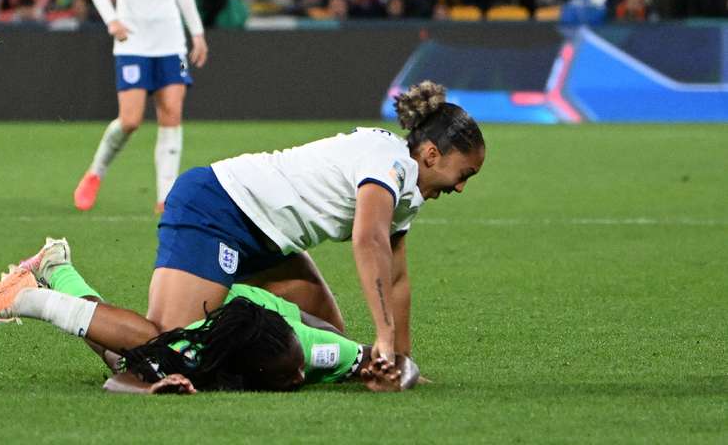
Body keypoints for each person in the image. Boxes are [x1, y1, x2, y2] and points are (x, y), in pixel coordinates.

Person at [146, 80, 485, 370]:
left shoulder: (408, 191)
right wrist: (383, 334)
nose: (460, 187)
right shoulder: (390, 161)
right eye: (464, 174)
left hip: (270, 242)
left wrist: (399, 360)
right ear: (430, 155)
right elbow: (369, 240)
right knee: (168, 344)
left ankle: (224, 317)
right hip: (220, 206)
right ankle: (92, 316)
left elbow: (395, 278)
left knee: (332, 343)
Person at [0, 238, 415, 394]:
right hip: (212, 311)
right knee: (124, 354)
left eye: (297, 363)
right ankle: (30, 295)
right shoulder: (195, 350)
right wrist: (154, 385)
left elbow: (391, 365)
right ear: (245, 370)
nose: (298, 375)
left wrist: (395, 372)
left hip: (259, 307)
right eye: (286, 372)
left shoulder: (314, 352)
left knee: (324, 331)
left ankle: (55, 266)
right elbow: (119, 381)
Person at [77, 0, 207, 214]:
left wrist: (197, 33)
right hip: (133, 44)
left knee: (172, 114)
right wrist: (112, 21)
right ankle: (96, 172)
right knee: (131, 120)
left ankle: (166, 196)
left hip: (171, 45)